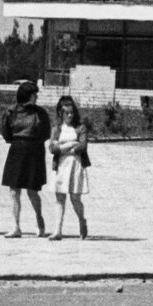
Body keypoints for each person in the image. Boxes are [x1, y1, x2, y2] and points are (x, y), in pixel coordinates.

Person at [0, 81, 52, 238]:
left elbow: (46, 133)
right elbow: (6, 133)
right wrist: (19, 141)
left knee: (32, 190)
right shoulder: (11, 112)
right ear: (26, 96)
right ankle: (16, 226)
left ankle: (39, 219)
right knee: (14, 190)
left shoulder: (40, 113)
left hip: (34, 151)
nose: (36, 97)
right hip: (16, 150)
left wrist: (32, 141)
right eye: (34, 94)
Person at [47, 96, 90, 241]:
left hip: (75, 165)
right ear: (61, 113)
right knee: (59, 198)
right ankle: (57, 230)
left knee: (75, 198)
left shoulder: (80, 127)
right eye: (66, 113)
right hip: (60, 166)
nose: (70, 115)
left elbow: (82, 147)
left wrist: (62, 148)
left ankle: (82, 220)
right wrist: (71, 144)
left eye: (72, 112)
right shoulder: (56, 129)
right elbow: (52, 148)